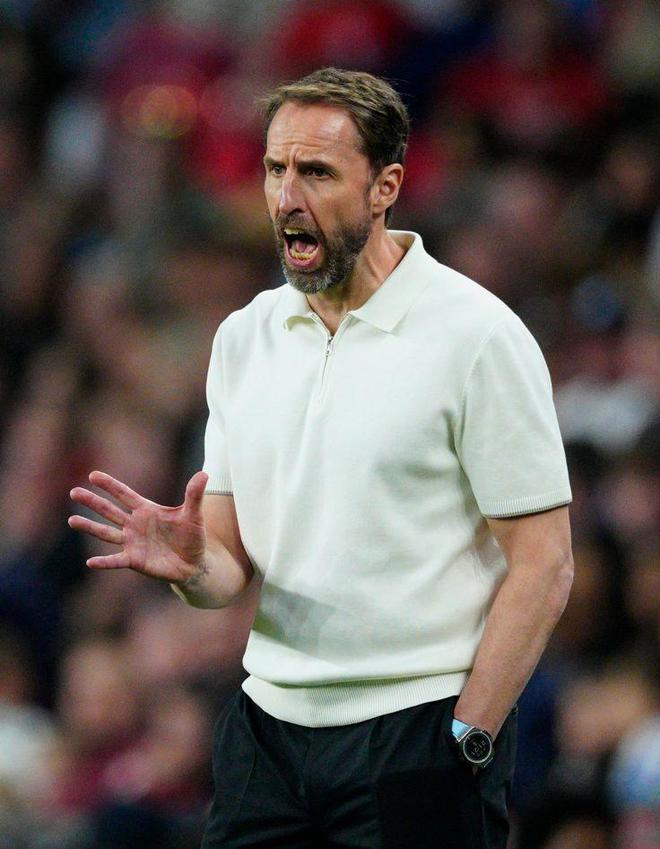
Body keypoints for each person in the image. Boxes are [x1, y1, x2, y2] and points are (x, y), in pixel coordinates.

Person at [69, 68, 574, 849]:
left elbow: (544, 564)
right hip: (267, 732)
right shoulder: (244, 337)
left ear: (385, 187)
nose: (286, 197)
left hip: (416, 729)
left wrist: (470, 734)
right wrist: (194, 567)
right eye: (275, 169)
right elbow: (229, 566)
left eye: (317, 172)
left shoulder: (478, 336)